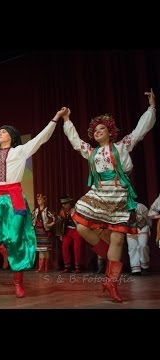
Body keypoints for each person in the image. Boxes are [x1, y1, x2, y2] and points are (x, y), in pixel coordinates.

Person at [61, 89, 156, 302]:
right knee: (81, 224)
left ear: (110, 132)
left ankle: (111, 282)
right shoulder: (91, 152)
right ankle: (107, 256)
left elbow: (140, 130)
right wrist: (67, 120)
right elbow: (76, 142)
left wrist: (151, 108)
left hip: (119, 194)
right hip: (99, 192)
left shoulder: (122, 146)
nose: (98, 131)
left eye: (102, 128)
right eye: (95, 130)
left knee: (118, 239)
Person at [0, 108, 68, 298]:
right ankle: (3, 247)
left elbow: (41, 139)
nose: (0, 133)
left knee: (16, 239)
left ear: (11, 136)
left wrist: (55, 118)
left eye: (4, 131)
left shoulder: (20, 151)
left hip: (14, 200)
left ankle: (18, 282)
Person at [57, 195, 84, 273]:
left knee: (77, 248)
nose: (64, 205)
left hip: (76, 230)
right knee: (64, 247)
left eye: (66, 204)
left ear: (69, 203)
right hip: (68, 231)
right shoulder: (62, 211)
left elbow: (79, 221)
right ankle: (67, 266)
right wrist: (61, 234)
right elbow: (61, 224)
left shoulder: (75, 210)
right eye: (63, 204)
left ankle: (78, 267)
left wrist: (73, 215)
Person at [31, 193, 56, 272]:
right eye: (38, 199)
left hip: (45, 231)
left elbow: (55, 218)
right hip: (37, 231)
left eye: (40, 199)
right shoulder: (36, 210)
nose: (38, 200)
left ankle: (46, 267)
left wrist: (50, 224)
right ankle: (41, 267)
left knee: (45, 249)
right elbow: (32, 219)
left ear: (44, 200)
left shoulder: (47, 210)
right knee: (40, 249)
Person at [126, 202, 151, 275]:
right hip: (130, 229)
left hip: (142, 228)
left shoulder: (140, 206)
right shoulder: (122, 207)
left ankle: (145, 266)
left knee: (142, 246)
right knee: (132, 248)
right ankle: (135, 269)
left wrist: (149, 227)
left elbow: (148, 216)